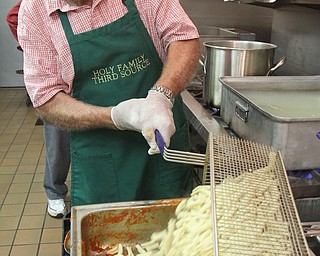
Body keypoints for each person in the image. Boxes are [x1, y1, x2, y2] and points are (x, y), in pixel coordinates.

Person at [17, 0, 200, 207]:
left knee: (176, 229)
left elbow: (183, 37)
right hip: (100, 162)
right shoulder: (35, 12)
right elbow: (45, 98)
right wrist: (115, 117)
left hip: (165, 146)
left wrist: (162, 95)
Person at [7, 0, 70, 218]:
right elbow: (13, 17)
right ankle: (55, 193)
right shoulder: (36, 4)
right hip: (58, 79)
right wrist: (36, 46)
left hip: (93, 76)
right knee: (58, 143)